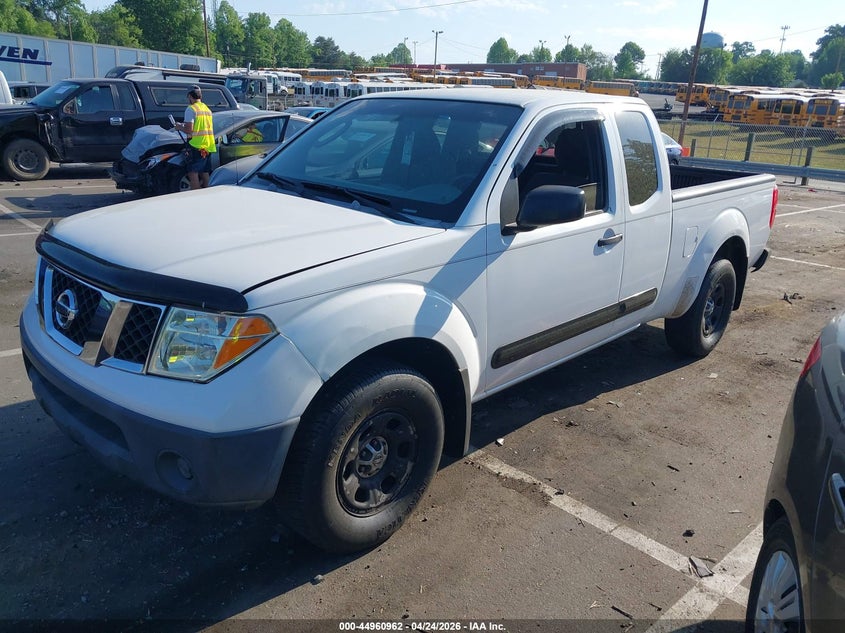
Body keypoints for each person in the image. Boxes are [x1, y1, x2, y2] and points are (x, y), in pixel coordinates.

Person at [174, 85, 216, 189]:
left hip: (196, 145)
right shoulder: (206, 109)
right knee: (205, 172)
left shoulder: (191, 109)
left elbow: (189, 130)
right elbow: (200, 126)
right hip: (207, 145)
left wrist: (179, 127)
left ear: (189, 96)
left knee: (193, 173)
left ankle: (196, 197)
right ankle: (207, 194)